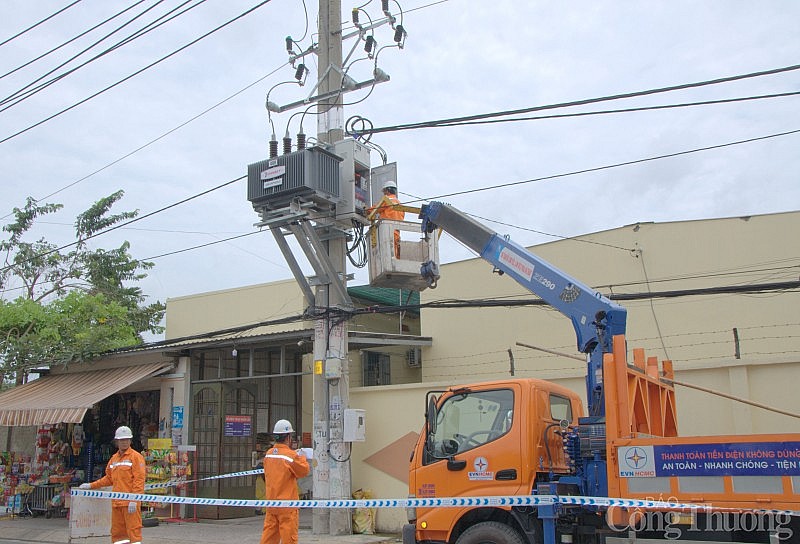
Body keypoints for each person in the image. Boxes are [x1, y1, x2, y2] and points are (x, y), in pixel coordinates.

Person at [78, 425, 146, 544]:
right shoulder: (114, 459)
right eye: (122, 440)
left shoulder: (136, 457)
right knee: (118, 534)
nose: (124, 442)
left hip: (130, 503)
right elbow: (108, 479)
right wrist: (91, 486)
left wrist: (134, 500)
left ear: (130, 440)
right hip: (117, 503)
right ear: (117, 441)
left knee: (134, 532)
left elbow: (139, 481)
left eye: (126, 440)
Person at [259, 419, 310, 544]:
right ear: (288, 437)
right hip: (287, 506)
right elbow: (304, 471)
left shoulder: (269, 454)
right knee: (289, 540)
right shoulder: (290, 456)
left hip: (271, 505)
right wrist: (301, 456)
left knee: (268, 539)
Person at [368, 180, 405, 258]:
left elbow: (375, 209)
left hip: (387, 231)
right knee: (395, 255)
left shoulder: (387, 200)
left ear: (388, 190)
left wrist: (366, 210)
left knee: (386, 255)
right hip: (396, 232)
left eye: (384, 191)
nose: (384, 193)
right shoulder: (399, 203)